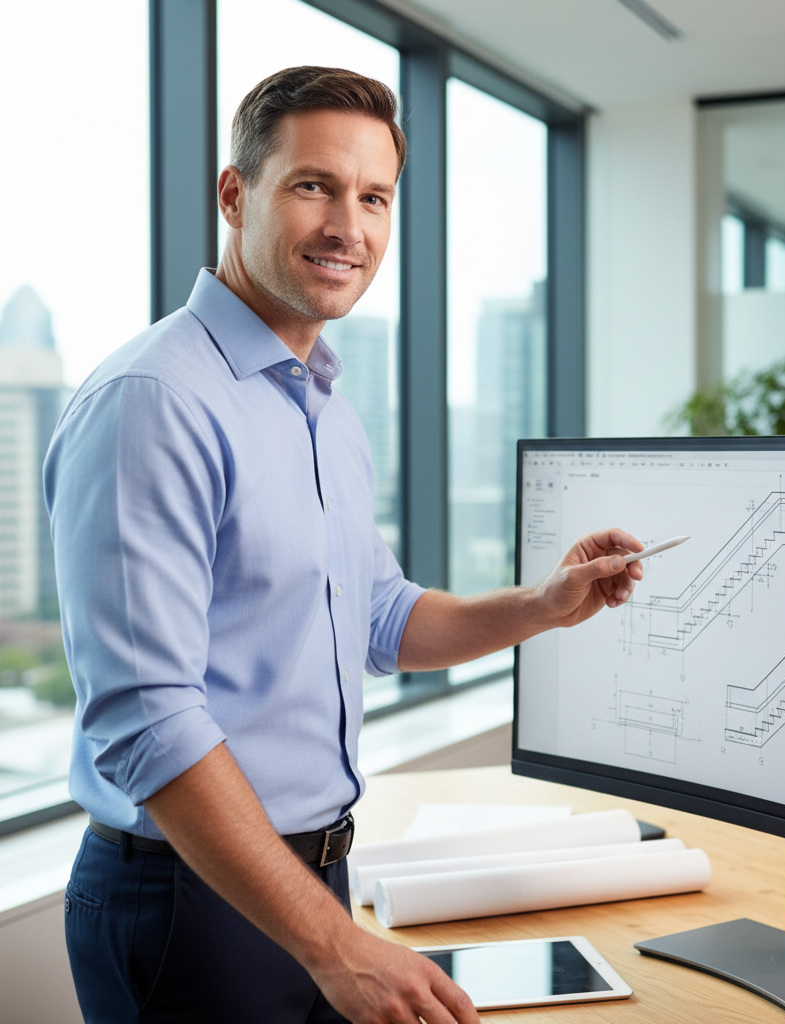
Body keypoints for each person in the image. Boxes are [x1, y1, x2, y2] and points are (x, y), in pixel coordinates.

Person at [44, 66, 644, 1024]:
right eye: (314, 186)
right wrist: (336, 947)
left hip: (311, 880)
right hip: (189, 903)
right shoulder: (154, 402)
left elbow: (379, 617)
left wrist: (541, 605)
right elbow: (148, 719)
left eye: (374, 197)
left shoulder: (318, 399)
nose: (348, 228)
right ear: (236, 195)